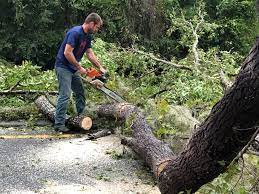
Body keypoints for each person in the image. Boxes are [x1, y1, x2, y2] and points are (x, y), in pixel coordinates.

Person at [54, 13, 107, 132]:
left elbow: (89, 53)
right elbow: (67, 53)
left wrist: (100, 68)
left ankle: (80, 119)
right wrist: (79, 67)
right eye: (97, 27)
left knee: (80, 93)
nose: (97, 29)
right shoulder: (75, 32)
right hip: (63, 67)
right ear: (92, 23)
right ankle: (59, 124)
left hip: (73, 68)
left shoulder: (88, 36)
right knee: (65, 94)